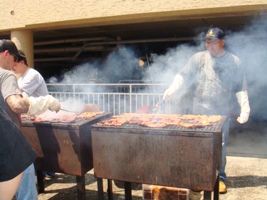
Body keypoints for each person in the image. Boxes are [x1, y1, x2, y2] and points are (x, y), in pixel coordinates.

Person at [163, 28, 250, 200]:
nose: (208, 44)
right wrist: (172, 88)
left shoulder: (234, 61)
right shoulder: (199, 58)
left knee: (220, 145)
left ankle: (220, 177)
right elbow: (183, 74)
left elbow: (240, 87)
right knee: (198, 146)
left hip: (222, 111)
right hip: (199, 110)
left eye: (212, 41)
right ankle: (197, 176)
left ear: (222, 42)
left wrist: (245, 108)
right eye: (207, 41)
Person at [0, 39, 61, 200]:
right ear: (7, 54)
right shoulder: (6, 75)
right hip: (10, 146)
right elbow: (17, 105)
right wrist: (44, 101)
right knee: (26, 191)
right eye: (14, 58)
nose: (14, 64)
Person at [13, 50, 56, 182]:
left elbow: (18, 94)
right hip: (33, 116)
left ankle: (46, 170)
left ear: (21, 62)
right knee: (39, 145)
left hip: (41, 116)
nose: (12, 68)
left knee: (43, 145)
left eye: (14, 65)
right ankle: (44, 170)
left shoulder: (32, 75)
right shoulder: (22, 77)